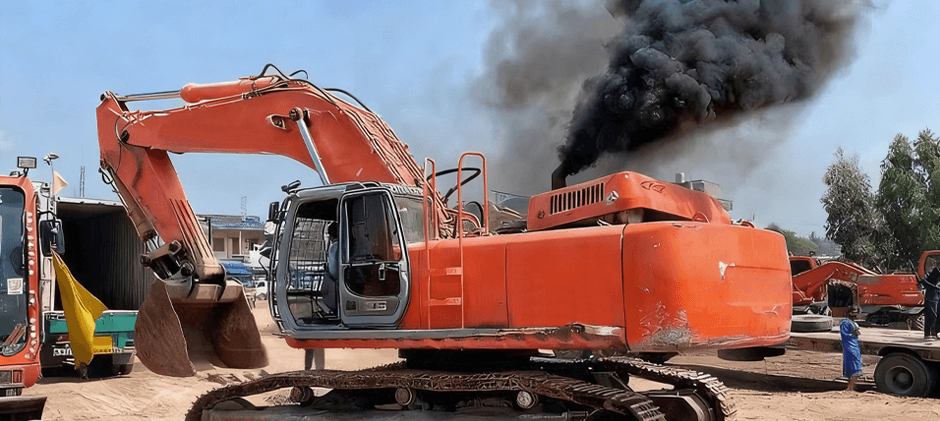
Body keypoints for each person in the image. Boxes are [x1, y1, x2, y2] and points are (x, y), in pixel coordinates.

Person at [840, 317, 862, 391]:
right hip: (849, 346)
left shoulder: (852, 322)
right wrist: (853, 334)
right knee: (851, 365)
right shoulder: (845, 323)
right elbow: (845, 334)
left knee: (854, 365)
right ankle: (850, 387)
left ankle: (851, 387)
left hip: (855, 345)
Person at [918, 267, 940, 340]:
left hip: (936, 297)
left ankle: (935, 332)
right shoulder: (931, 274)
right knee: (932, 315)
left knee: (936, 316)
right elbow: (923, 281)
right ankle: (929, 334)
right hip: (931, 298)